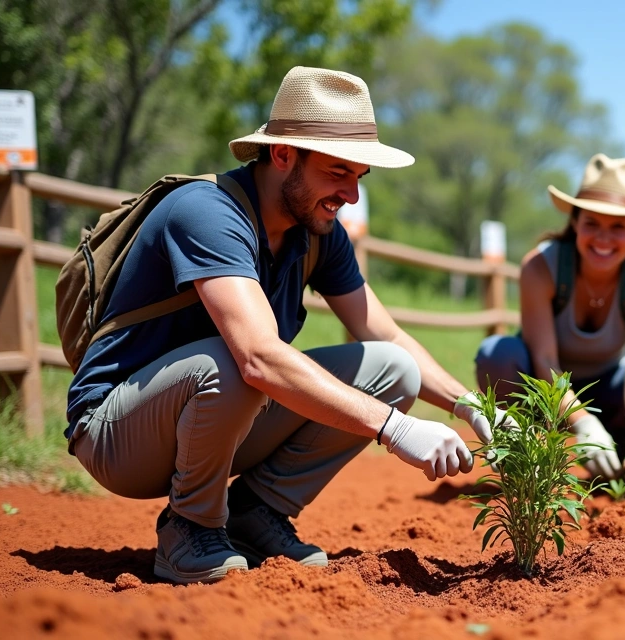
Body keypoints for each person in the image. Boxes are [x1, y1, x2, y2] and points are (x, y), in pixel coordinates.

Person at [63, 67, 509, 584]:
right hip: (117, 434)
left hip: (215, 412)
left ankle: (255, 513)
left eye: (359, 176)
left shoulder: (317, 232)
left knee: (394, 370)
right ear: (282, 155)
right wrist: (394, 427)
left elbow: (385, 336)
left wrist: (470, 406)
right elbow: (256, 357)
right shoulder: (207, 212)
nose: (352, 195)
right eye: (338, 171)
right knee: (237, 360)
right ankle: (189, 529)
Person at [475, 154, 625, 482]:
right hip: (541, 388)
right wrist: (583, 423)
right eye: (592, 222)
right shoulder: (540, 268)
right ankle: (524, 456)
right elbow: (545, 358)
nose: (603, 239)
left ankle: (623, 456)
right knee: (498, 354)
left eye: (618, 227)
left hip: (611, 389)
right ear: (575, 222)